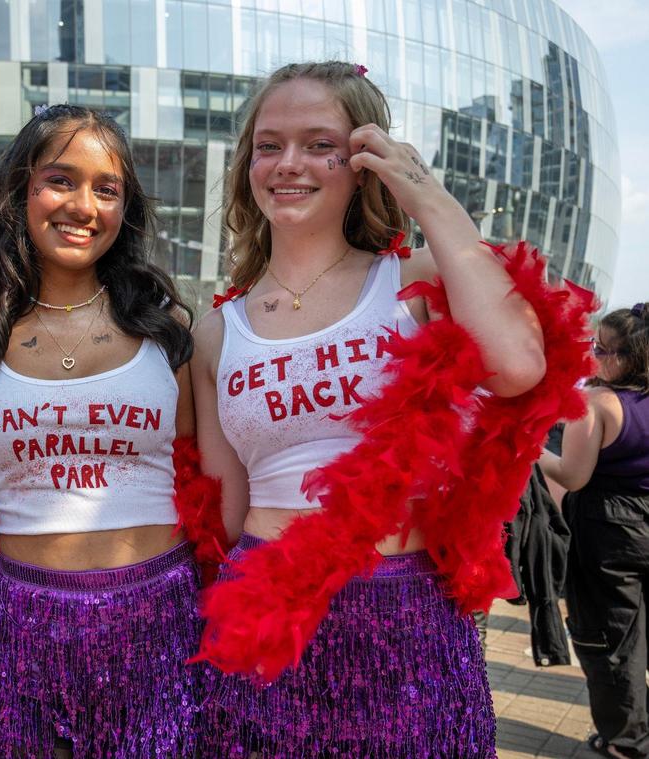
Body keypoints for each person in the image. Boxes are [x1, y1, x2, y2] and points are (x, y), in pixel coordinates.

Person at [191, 61, 548, 756]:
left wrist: (426, 194)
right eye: (269, 145)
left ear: (362, 163)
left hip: (405, 620)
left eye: (320, 144)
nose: (289, 164)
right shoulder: (215, 333)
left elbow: (519, 365)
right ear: (247, 165)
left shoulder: (414, 283)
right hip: (267, 622)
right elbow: (225, 517)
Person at [0, 104, 201, 757]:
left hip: (158, 619)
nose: (83, 206)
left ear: (125, 208)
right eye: (61, 180)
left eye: (106, 189)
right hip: (19, 627)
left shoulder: (165, 325)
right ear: (22, 189)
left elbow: (206, 475)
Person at [540, 304, 649, 759]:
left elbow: (573, 475)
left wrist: (531, 449)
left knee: (612, 639)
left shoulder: (598, 403)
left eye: (601, 349)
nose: (593, 354)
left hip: (608, 528)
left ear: (627, 357)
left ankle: (627, 742)